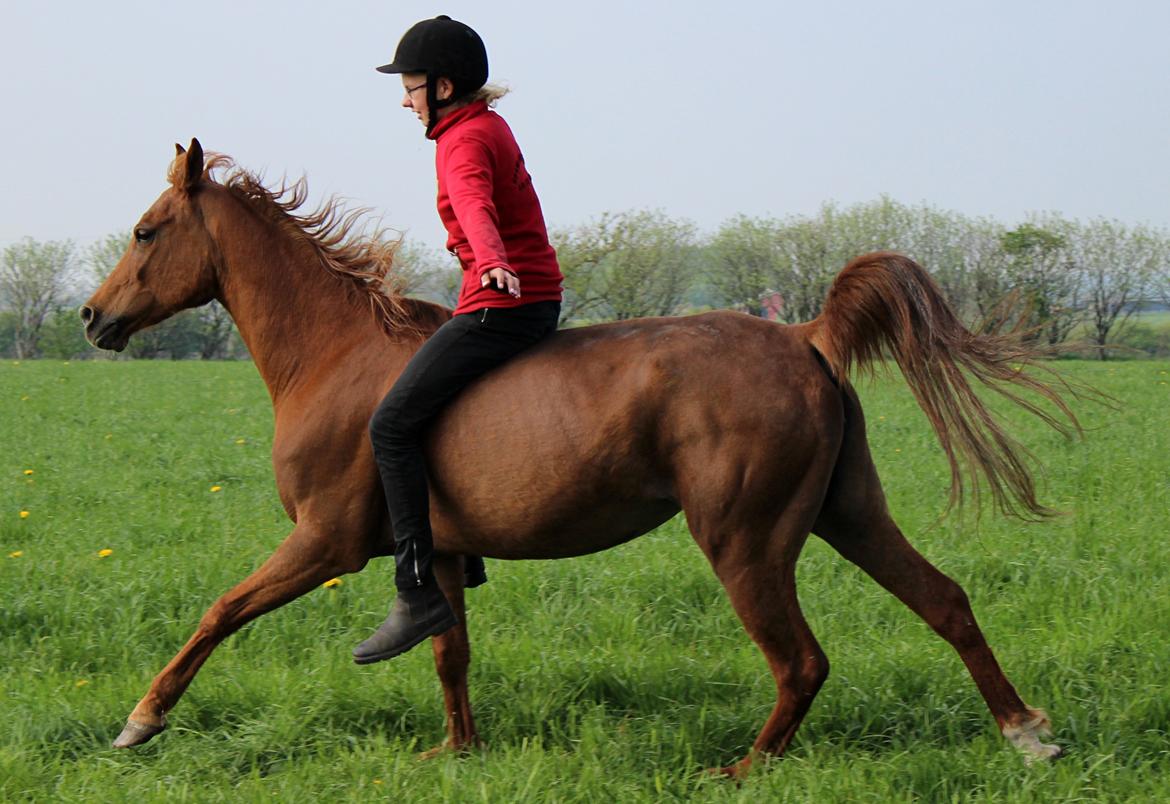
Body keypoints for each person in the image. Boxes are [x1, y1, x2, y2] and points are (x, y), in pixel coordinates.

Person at [354, 15, 564, 664]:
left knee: (390, 426)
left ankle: (416, 591)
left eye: (411, 86)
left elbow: (474, 203)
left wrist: (493, 257)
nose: (404, 99)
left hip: (503, 303)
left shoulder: (461, 142)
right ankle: (461, 559)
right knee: (434, 407)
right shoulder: (484, 125)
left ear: (442, 87)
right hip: (525, 297)